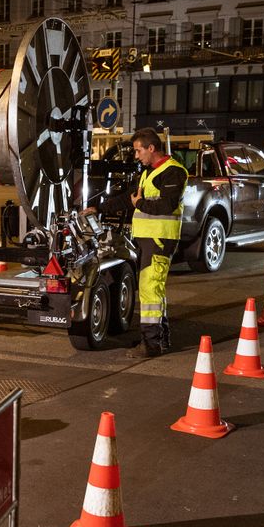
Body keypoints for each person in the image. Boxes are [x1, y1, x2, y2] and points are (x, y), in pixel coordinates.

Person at [86, 127, 188, 358]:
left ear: (151, 148)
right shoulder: (148, 173)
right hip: (149, 238)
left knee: (150, 289)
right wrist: (99, 208)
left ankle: (151, 345)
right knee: (155, 290)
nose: (136, 155)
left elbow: (165, 205)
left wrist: (139, 203)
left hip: (160, 238)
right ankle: (159, 339)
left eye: (138, 150)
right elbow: (128, 199)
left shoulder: (174, 172)